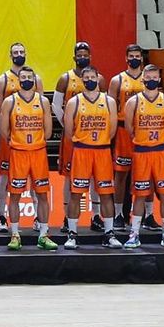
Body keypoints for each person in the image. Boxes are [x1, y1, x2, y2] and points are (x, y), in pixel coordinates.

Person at [124, 63, 164, 250]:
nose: (151, 80)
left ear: (159, 79)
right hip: (142, 152)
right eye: (148, 78)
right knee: (140, 195)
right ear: (143, 79)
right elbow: (129, 129)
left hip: (162, 152)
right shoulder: (133, 102)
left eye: (154, 78)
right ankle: (134, 234)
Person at [63, 63, 118, 250]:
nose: (89, 80)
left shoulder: (109, 101)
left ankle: (109, 233)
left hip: (102, 151)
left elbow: (112, 130)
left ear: (98, 79)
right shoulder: (74, 102)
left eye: (92, 77)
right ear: (81, 80)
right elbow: (69, 131)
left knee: (106, 194)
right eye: (86, 78)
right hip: (82, 151)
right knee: (76, 194)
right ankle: (72, 234)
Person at [0, 66, 54, 250]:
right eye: (23, 77)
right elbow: (4, 131)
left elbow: (48, 131)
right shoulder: (9, 101)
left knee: (42, 194)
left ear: (35, 80)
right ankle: (15, 234)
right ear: (18, 80)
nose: (27, 80)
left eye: (30, 77)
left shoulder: (43, 101)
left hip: (38, 152)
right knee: (15, 195)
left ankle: (43, 234)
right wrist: (17, 141)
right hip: (18, 152)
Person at [51, 43, 99, 237]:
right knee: (69, 176)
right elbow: (56, 105)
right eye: (79, 55)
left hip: (94, 135)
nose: (82, 57)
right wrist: (68, 124)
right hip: (72, 136)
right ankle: (66, 216)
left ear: (90, 57)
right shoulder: (65, 79)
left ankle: (96, 216)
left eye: (85, 54)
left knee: (95, 176)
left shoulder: (98, 79)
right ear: (74, 57)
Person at [107, 43, 147, 233]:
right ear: (126, 58)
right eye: (131, 56)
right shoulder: (117, 80)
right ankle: (118, 214)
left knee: (146, 174)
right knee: (121, 174)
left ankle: (147, 215)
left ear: (142, 58)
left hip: (144, 129)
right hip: (123, 130)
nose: (134, 59)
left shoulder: (148, 78)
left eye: (137, 56)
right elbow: (110, 108)